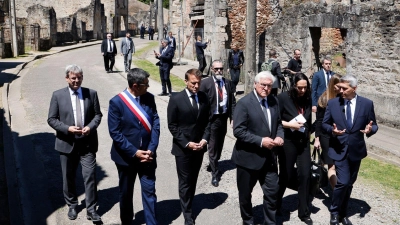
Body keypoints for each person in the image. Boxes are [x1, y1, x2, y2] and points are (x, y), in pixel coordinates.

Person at [47, 64, 102, 222]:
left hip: (87, 143)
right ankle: (72, 204)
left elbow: (98, 115)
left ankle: (91, 209)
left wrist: (90, 127)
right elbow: (51, 119)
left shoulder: (91, 94)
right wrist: (67, 128)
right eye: (73, 78)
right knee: (68, 176)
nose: (76, 81)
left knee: (90, 176)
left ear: (82, 77)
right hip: (67, 143)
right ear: (67, 79)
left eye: (79, 78)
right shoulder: (57, 95)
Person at [322, 75, 378, 225]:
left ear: (354, 88)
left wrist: (370, 129)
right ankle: (334, 212)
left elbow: (374, 125)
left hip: (356, 150)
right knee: (343, 182)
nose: (340, 91)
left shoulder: (367, 104)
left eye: (344, 88)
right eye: (339, 87)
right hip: (339, 149)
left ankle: (343, 214)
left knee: (350, 183)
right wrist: (332, 131)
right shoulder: (333, 103)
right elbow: (324, 124)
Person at [108, 68, 160, 225]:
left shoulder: (149, 98)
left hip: (148, 157)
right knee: (125, 193)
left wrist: (151, 148)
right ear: (136, 85)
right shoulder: (117, 102)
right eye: (146, 84)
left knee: (149, 192)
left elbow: (156, 123)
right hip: (126, 158)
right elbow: (115, 133)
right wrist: (135, 152)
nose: (148, 87)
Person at [231, 71, 284, 225]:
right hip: (248, 158)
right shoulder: (244, 103)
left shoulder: (274, 101)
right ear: (255, 84)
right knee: (245, 195)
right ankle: (248, 220)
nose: (266, 88)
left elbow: (279, 123)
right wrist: (260, 141)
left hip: (269, 158)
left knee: (272, 192)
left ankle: (270, 222)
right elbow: (238, 131)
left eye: (269, 86)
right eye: (263, 85)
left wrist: (280, 136)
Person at [167, 69, 211, 225]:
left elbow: (208, 122)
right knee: (185, 181)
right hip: (183, 149)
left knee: (193, 179)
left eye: (199, 82)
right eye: (193, 82)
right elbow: (172, 125)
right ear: (186, 81)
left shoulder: (204, 97)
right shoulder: (176, 99)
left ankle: (189, 202)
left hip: (199, 147)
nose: (197, 86)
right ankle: (188, 214)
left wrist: (205, 140)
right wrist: (186, 143)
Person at [276, 73, 313, 225]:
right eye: (300, 88)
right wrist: (290, 125)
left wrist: (313, 136)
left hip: (303, 142)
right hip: (288, 142)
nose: (303, 90)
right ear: (293, 86)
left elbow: (309, 119)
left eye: (305, 87)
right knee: (286, 174)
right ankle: (275, 204)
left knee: (305, 175)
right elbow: (276, 120)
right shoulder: (283, 98)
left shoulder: (308, 98)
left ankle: (304, 212)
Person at [199, 60, 236, 187]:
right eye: (216, 69)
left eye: (221, 68)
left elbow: (232, 101)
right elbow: (200, 102)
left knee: (220, 143)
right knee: (213, 145)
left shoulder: (228, 83)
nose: (219, 71)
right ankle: (215, 173)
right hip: (211, 119)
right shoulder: (205, 83)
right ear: (212, 69)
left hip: (223, 118)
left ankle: (214, 161)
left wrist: (233, 117)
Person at [314, 74, 342, 189]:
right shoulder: (324, 99)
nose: (341, 89)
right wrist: (317, 139)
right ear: (333, 85)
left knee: (334, 164)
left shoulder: (343, 98)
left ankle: (319, 181)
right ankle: (336, 193)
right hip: (326, 136)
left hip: (339, 135)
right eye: (338, 86)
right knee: (332, 166)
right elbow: (319, 121)